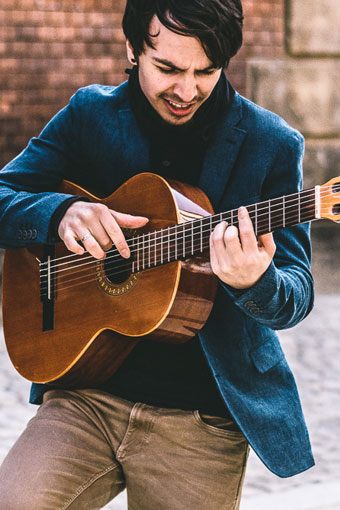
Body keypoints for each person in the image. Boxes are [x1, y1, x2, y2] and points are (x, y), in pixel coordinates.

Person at [0, 0, 315, 508]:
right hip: (87, 394)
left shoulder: (271, 144)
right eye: (167, 68)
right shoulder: (90, 115)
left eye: (205, 71)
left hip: (201, 421)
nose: (186, 90)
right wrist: (59, 213)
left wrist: (254, 282)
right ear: (132, 49)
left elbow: (296, 292)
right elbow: (5, 194)